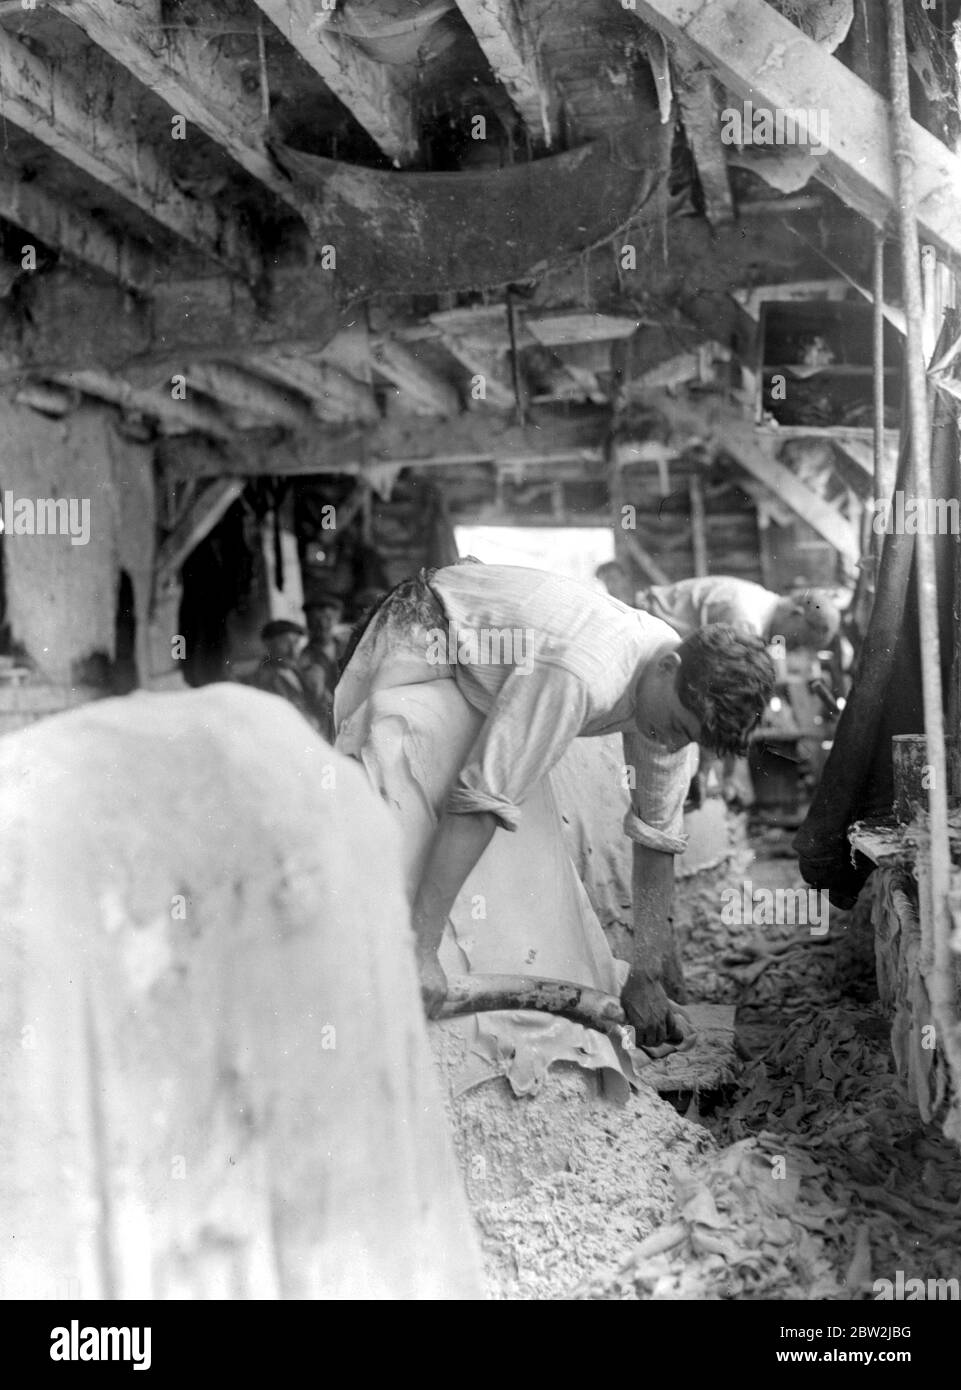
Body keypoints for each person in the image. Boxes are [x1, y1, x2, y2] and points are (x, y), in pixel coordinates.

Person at [335, 562, 774, 1051]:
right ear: (667, 666)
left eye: (686, 738)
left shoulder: (670, 699)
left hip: (502, 658)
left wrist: (648, 973)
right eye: (675, 727)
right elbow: (481, 801)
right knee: (410, 793)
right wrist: (418, 952)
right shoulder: (583, 674)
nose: (671, 743)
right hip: (422, 630)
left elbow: (657, 839)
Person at [634, 575, 840, 650]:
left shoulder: (759, 598)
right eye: (796, 641)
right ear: (796, 614)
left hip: (647, 625)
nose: (788, 646)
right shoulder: (747, 623)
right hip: (640, 631)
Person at [247, 619, 325, 734]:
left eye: (296, 643)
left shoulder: (302, 672)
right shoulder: (260, 681)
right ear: (267, 645)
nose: (293, 651)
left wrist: (319, 690)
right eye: (285, 643)